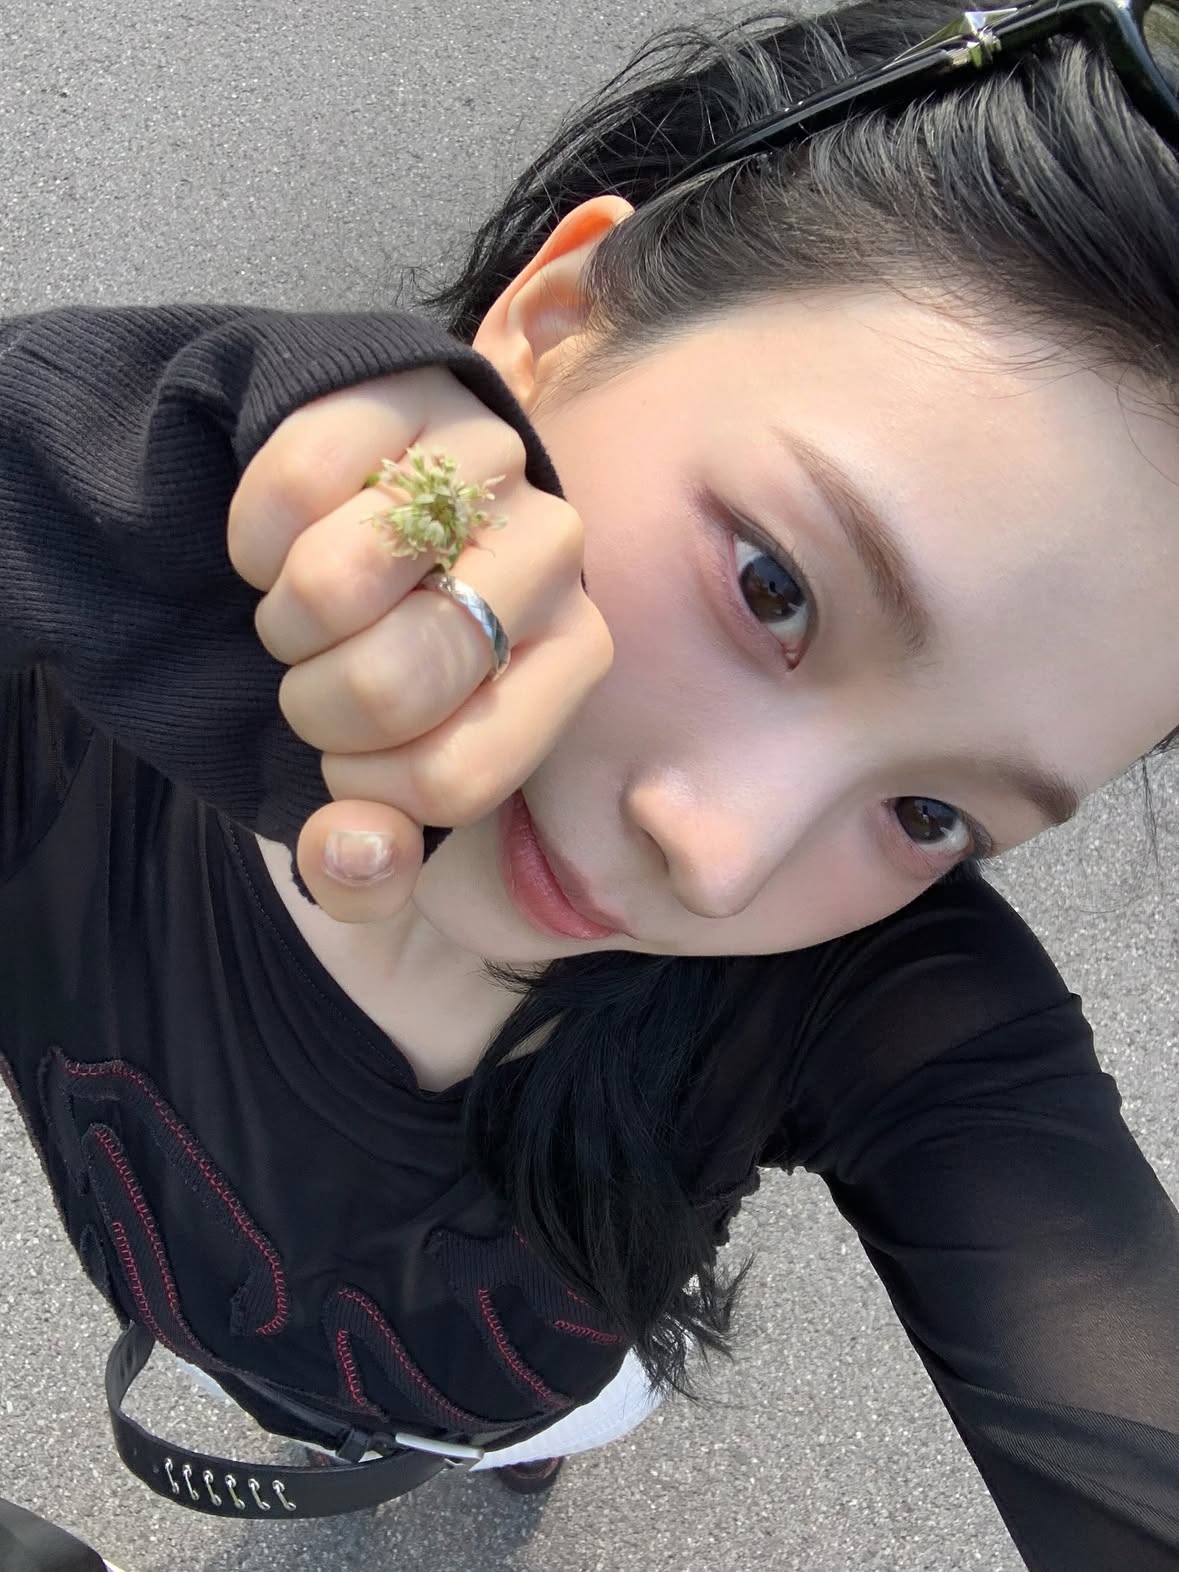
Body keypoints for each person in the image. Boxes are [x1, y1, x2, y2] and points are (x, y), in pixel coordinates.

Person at [2, 0, 1179, 1566]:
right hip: (201, 1327)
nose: (720, 861)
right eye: (773, 586)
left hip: (524, 1392)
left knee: (532, 1438)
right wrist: (67, 464)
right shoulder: (75, 671)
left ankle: (517, 1465)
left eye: (932, 816)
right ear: (552, 325)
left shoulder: (877, 1007)